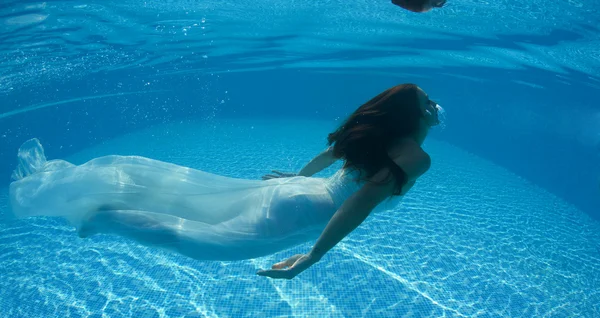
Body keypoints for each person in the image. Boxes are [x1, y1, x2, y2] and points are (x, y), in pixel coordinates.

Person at [9, 84, 442, 280]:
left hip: (300, 195)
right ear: (414, 116)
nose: (434, 108)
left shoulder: (378, 135)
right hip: (308, 213)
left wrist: (296, 178)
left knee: (199, 204)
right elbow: (358, 206)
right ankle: (105, 218)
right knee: (202, 242)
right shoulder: (415, 157)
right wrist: (312, 256)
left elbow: (331, 155)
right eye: (428, 104)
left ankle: (105, 209)